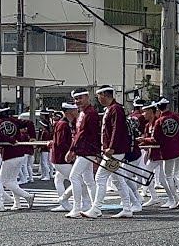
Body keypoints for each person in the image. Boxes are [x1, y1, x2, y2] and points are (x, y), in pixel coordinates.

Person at [85, 86, 136, 218]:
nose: (98, 98)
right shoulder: (112, 108)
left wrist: (111, 147)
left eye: (99, 95)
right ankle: (127, 207)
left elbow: (117, 130)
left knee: (100, 178)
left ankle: (96, 208)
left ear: (104, 94)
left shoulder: (116, 109)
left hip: (115, 151)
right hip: (113, 150)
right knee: (118, 179)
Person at [67, 89, 100, 218]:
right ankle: (96, 207)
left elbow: (83, 135)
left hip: (87, 150)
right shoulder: (83, 113)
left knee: (74, 177)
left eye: (80, 98)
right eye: (76, 99)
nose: (78, 101)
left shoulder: (90, 113)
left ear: (87, 97)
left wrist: (72, 150)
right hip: (84, 150)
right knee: (88, 180)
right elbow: (77, 134)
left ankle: (76, 208)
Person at [50, 103, 78, 214]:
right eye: (75, 110)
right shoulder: (63, 125)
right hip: (61, 159)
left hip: (60, 158)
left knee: (58, 179)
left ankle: (63, 203)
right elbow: (61, 143)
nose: (77, 112)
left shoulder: (67, 123)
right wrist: (71, 153)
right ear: (69, 112)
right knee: (77, 181)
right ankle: (64, 200)